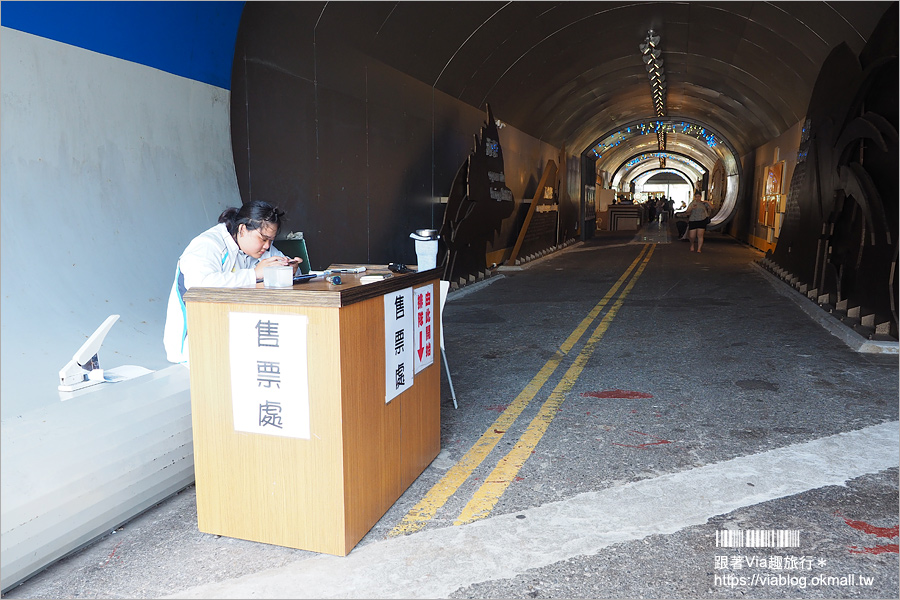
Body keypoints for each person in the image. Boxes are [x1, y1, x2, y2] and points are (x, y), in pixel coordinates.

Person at [164, 200, 302, 364]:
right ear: (243, 229)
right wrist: (254, 274)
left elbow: (279, 266)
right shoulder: (208, 244)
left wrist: (289, 270)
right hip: (193, 345)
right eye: (263, 238)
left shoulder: (260, 247)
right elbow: (200, 284)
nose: (267, 245)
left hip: (229, 334)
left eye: (271, 240)